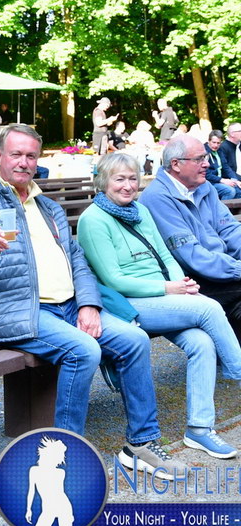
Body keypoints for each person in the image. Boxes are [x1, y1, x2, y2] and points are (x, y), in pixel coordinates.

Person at [0, 124, 183, 478]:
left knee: (134, 340)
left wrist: (89, 305)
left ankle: (141, 444)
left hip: (69, 307)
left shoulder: (49, 206)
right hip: (19, 313)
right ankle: (65, 454)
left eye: (31, 155)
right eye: (16, 154)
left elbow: (79, 263)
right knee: (84, 350)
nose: (24, 162)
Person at [78, 153, 241, 459]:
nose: (128, 186)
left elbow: (165, 256)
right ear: (103, 182)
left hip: (165, 296)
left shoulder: (140, 210)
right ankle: (238, 370)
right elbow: (113, 279)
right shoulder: (93, 220)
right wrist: (169, 289)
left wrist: (183, 286)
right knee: (209, 308)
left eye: (133, 179)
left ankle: (199, 429)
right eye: (119, 179)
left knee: (203, 343)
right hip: (128, 303)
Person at [139, 135, 241, 340]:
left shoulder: (204, 187)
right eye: (199, 159)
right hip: (188, 280)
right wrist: (237, 269)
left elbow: (230, 229)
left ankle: (231, 349)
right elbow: (191, 256)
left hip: (218, 270)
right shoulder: (158, 197)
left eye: (205, 157)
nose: (207, 164)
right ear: (176, 164)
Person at [204, 129, 241, 200]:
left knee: (239, 190)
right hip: (208, 182)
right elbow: (206, 174)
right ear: (208, 141)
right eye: (214, 142)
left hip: (219, 181)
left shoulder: (219, 151)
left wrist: (235, 180)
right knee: (230, 191)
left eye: (218, 143)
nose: (216, 145)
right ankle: (220, 207)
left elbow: (226, 167)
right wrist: (222, 180)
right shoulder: (204, 152)